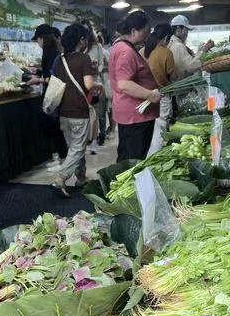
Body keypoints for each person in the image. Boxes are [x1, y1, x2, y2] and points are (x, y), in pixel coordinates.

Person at [50, 24, 103, 198]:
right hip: (79, 109)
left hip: (63, 111)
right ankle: (61, 178)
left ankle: (81, 177)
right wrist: (100, 85)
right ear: (81, 40)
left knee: (73, 147)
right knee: (79, 148)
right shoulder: (84, 59)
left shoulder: (59, 60)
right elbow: (88, 85)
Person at [109, 11, 161, 161]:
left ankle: (121, 183)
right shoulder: (126, 51)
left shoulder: (119, 46)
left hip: (129, 112)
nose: (147, 35)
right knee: (134, 159)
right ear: (133, 31)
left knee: (127, 157)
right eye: (145, 31)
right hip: (136, 115)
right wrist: (151, 95)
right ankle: (129, 184)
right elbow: (124, 84)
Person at [29, 24, 68, 173]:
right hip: (57, 96)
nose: (37, 43)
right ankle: (61, 158)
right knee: (55, 127)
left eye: (37, 39)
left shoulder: (50, 52)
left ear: (42, 38)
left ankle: (63, 159)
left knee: (55, 127)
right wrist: (39, 72)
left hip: (54, 96)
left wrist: (38, 79)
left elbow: (53, 77)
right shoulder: (55, 50)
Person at [141, 24, 176, 156]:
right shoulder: (166, 53)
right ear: (166, 38)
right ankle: (153, 161)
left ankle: (147, 158)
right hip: (162, 96)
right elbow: (173, 76)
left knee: (150, 130)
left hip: (146, 96)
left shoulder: (145, 51)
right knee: (159, 132)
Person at [81, 19, 106, 152]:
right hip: (81, 84)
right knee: (84, 113)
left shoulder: (97, 47)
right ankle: (87, 139)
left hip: (94, 83)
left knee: (95, 112)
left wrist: (97, 69)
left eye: (87, 30)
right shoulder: (78, 47)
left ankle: (96, 139)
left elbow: (102, 64)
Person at [168, 15, 214, 80]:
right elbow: (191, 66)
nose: (187, 33)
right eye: (186, 30)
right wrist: (204, 50)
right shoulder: (178, 46)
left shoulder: (171, 42)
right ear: (178, 28)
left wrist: (199, 51)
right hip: (182, 86)